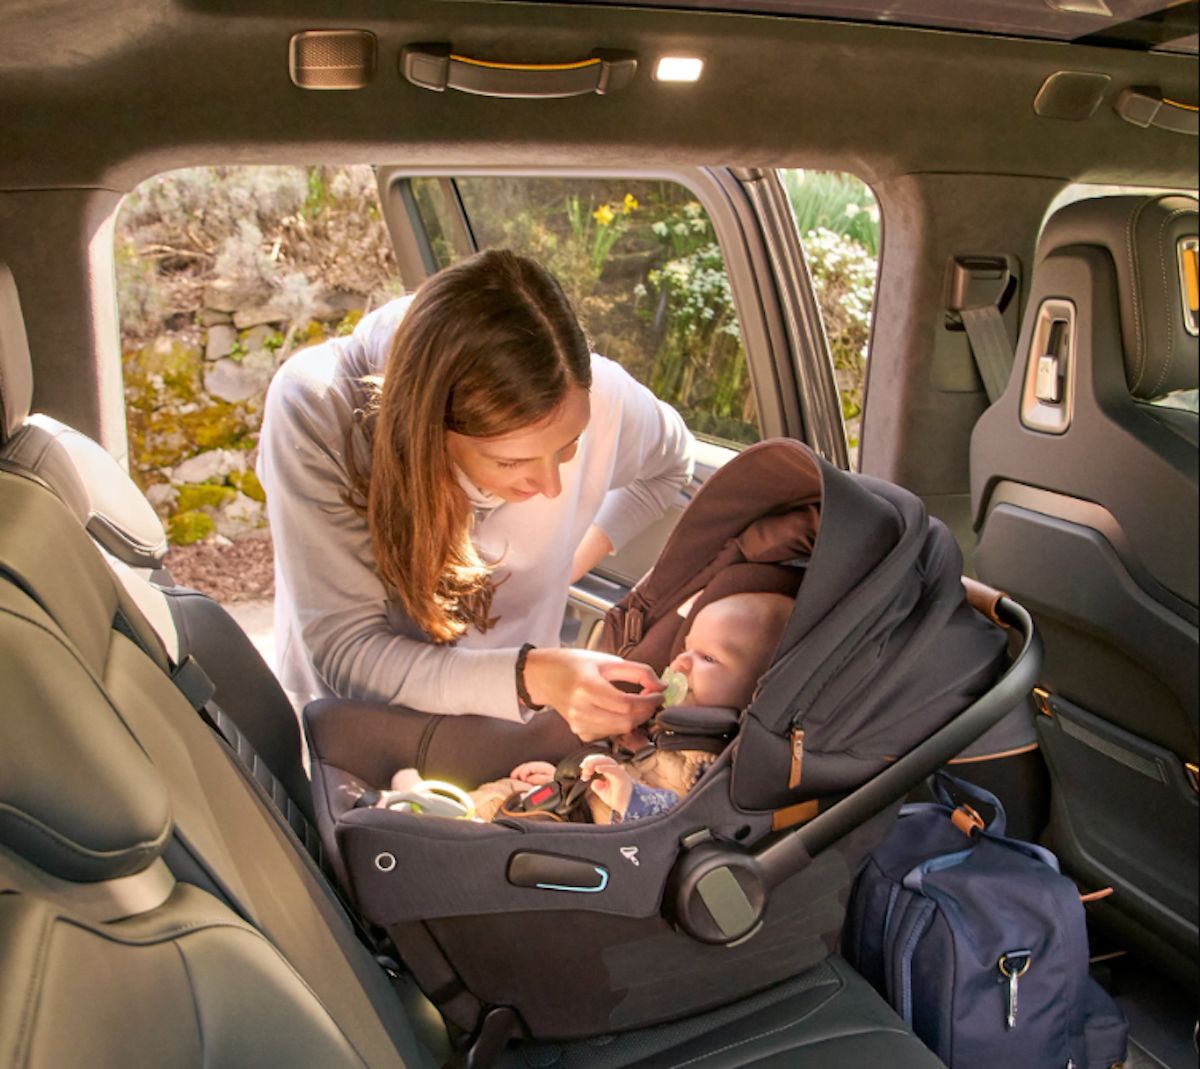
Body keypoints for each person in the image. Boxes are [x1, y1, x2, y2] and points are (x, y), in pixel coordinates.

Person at [257, 249, 695, 741]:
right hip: (365, 735)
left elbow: (672, 466)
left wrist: (563, 566)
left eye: (569, 447)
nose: (551, 487)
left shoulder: (605, 396)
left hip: (508, 731)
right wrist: (531, 676)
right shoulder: (317, 409)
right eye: (510, 462)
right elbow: (348, 649)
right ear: (428, 432)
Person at [389, 591, 796, 823]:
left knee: (502, 823)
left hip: (600, 836)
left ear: (756, 690)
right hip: (580, 801)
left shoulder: (716, 759)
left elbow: (690, 818)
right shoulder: (669, 726)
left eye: (708, 659)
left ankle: (426, 820)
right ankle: (430, 807)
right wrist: (566, 778)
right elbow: (634, 765)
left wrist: (630, 796)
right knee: (512, 792)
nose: (681, 663)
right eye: (687, 648)